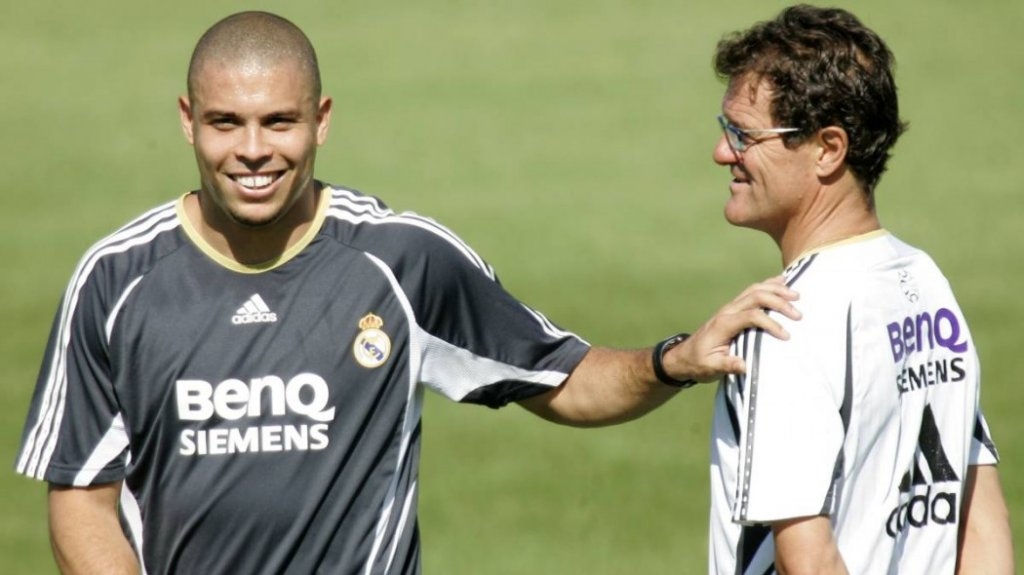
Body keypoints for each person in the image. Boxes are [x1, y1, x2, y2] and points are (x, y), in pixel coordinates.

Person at [14, 11, 800, 575]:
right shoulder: (117, 281)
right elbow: (80, 497)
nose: (253, 150)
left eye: (278, 122)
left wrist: (673, 360)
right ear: (189, 121)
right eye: (227, 123)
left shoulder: (400, 261)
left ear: (321, 120)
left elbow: (560, 377)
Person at [706, 5, 1013, 575]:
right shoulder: (927, 283)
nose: (723, 153)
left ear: (828, 148)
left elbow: (810, 562)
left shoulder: (784, 321)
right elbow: (980, 521)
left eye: (744, 135)